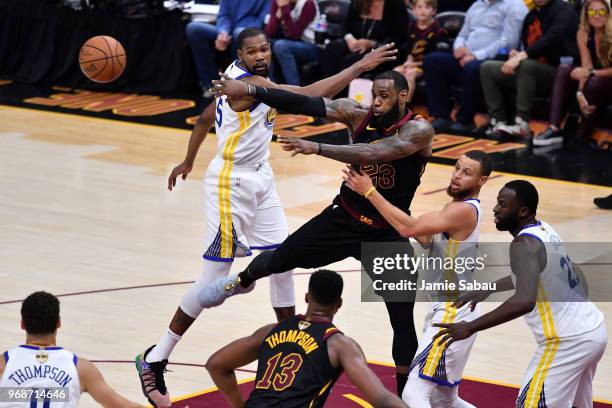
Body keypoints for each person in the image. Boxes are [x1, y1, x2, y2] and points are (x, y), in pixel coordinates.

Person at [134, 28, 398, 408]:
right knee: (214, 278)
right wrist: (359, 66)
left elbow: (204, 117)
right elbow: (309, 96)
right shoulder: (248, 84)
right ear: (240, 54)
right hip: (232, 181)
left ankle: (287, 338)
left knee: (284, 259)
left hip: (260, 176)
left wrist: (189, 158)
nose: (261, 56)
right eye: (253, 51)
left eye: (265, 49)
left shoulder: (238, 78)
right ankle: (156, 356)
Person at [203, 69, 435, 396]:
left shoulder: (418, 130)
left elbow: (375, 152)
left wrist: (318, 148)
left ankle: (405, 396)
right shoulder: (356, 115)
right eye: (374, 96)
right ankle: (240, 281)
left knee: (401, 317)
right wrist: (250, 89)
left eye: (385, 97)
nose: (378, 103)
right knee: (282, 258)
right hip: (344, 217)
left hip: (386, 230)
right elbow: (304, 103)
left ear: (402, 97)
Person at [433, 180, 608, 407]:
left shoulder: (523, 244)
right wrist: (487, 288)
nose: (495, 208)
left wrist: (469, 327)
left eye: (503, 205)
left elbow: (524, 302)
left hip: (567, 341)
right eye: (497, 202)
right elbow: (539, 275)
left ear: (522, 211)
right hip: (593, 331)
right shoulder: (544, 229)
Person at [343, 150, 493, 408]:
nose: (457, 176)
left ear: (482, 180)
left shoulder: (464, 211)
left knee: (413, 395)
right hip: (456, 308)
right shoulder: (456, 208)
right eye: (457, 168)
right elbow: (424, 236)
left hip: (453, 311)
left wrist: (370, 192)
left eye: (467, 173)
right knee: (444, 399)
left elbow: (408, 229)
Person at [206, 270, 408, 408]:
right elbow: (381, 398)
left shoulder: (270, 330)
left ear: (306, 297)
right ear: (338, 304)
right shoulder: (339, 344)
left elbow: (216, 364)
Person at [0, 291, 145, 408]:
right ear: (59, 323)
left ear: (22, 324)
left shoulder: (2, 364)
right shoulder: (81, 368)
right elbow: (121, 406)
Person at [480, 0, 579, 138]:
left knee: (527, 65)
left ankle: (522, 123)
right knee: (488, 68)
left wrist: (522, 56)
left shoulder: (564, 11)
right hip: (530, 73)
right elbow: (527, 47)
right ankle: (498, 121)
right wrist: (516, 53)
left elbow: (551, 39)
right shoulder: (531, 16)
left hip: (559, 72)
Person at [424, 0, 528, 131]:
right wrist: (459, 47)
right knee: (432, 61)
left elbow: (508, 42)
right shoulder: (477, 5)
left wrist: (476, 55)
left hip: (495, 60)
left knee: (472, 68)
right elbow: (462, 34)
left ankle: (465, 120)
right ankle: (441, 116)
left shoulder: (514, 5)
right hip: (467, 56)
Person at [534, 0, 612, 146]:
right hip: (595, 79)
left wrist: (591, 73)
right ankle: (554, 128)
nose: (596, 16)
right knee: (564, 69)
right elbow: (586, 67)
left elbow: (590, 72)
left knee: (594, 82)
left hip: (607, 81)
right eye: (591, 12)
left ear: (608, 14)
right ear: (586, 14)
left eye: (601, 12)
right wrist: (580, 93)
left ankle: (584, 133)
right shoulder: (582, 33)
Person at [185, 0, 271, 95]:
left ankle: (239, 83)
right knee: (194, 29)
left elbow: (262, 20)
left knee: (239, 34)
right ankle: (211, 84)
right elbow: (224, 15)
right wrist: (223, 33)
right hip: (230, 29)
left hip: (252, 32)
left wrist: (239, 32)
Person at [320, 0, 410, 81]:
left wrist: (372, 43)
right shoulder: (358, 2)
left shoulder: (396, 4)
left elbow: (399, 38)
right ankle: (323, 92)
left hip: (384, 49)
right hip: (356, 43)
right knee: (333, 47)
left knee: (352, 59)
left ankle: (339, 95)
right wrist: (350, 39)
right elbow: (345, 28)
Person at [394, 0, 449, 101]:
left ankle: (405, 106)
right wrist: (408, 61)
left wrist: (413, 65)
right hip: (413, 63)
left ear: (434, 11)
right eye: (419, 7)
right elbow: (410, 50)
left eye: (427, 8)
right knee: (396, 71)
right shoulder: (412, 26)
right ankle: (393, 103)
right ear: (414, 9)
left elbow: (435, 59)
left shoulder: (438, 30)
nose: (423, 11)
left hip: (426, 66)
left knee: (410, 74)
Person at [265, 0, 321, 85]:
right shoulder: (279, 2)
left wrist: (285, 10)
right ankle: (271, 86)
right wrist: (276, 18)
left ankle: (295, 91)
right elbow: (269, 33)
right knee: (265, 43)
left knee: (281, 46)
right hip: (291, 43)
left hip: (312, 46)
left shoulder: (308, 3)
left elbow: (295, 35)